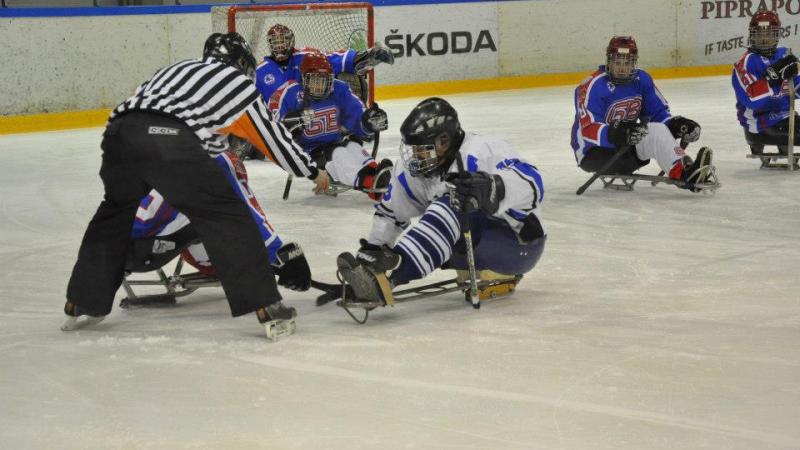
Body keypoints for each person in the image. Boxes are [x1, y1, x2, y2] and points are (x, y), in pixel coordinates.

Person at [62, 32, 328, 336]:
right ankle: (267, 306)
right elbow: (274, 141)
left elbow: (145, 112)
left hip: (120, 133)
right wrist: (312, 172)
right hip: (170, 140)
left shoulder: (175, 70)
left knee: (113, 214)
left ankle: (81, 302)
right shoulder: (235, 82)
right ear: (242, 64)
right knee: (227, 214)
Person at [335, 97, 546, 305]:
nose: (415, 158)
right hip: (469, 245)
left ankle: (391, 278)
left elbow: (534, 184)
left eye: (421, 150)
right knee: (446, 210)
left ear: (444, 140)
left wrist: (494, 186)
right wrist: (375, 249)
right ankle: (379, 276)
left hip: (518, 245)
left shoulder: (484, 150)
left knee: (452, 202)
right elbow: (391, 212)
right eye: (413, 151)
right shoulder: (417, 170)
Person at [571, 35, 716, 192]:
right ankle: (687, 172)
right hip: (594, 154)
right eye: (617, 62)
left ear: (634, 63)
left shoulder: (642, 79)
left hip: (626, 152)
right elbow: (588, 130)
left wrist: (676, 125)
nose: (622, 68)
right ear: (608, 62)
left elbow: (657, 113)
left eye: (627, 63)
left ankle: (686, 172)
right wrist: (617, 133)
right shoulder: (593, 86)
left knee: (657, 130)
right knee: (652, 131)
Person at [269, 51, 392, 201]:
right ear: (303, 78)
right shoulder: (287, 93)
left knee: (352, 146)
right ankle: (369, 183)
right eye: (315, 81)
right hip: (308, 153)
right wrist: (292, 121)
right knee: (339, 153)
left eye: (324, 80)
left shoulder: (339, 89)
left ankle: (374, 170)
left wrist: (369, 122)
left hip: (335, 143)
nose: (320, 86)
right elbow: (272, 128)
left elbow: (357, 119)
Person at [255, 23, 394, 103]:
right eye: (275, 42)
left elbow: (335, 59)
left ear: (291, 41)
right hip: (278, 127)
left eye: (282, 41)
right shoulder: (260, 71)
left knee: (347, 78)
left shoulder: (305, 56)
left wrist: (368, 56)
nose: (279, 47)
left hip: (311, 119)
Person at [732, 9, 800, 156]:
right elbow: (752, 100)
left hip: (786, 116)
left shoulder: (784, 55)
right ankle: (761, 142)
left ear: (777, 36)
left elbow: (797, 90)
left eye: (769, 34)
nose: (765, 39)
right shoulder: (745, 63)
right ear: (752, 36)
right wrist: (772, 78)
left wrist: (796, 73)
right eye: (760, 34)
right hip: (758, 121)